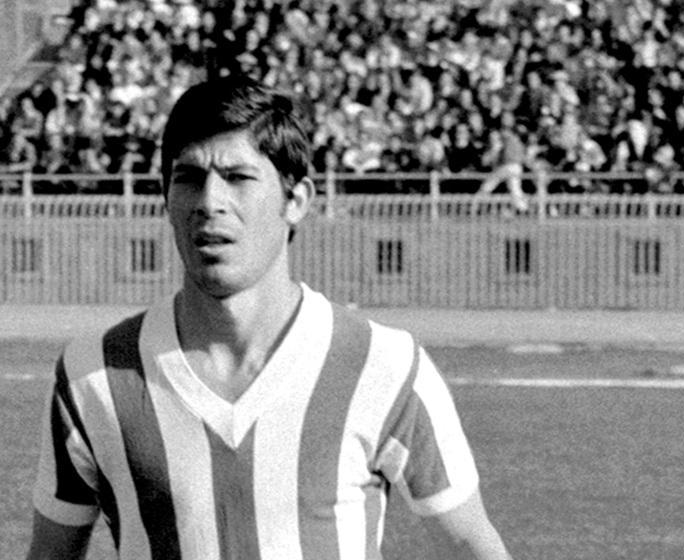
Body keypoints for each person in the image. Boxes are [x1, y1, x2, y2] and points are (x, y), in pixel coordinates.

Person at [26, 76, 513, 560]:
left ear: (295, 200)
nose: (210, 202)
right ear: (166, 198)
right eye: (189, 178)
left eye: (238, 178)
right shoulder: (92, 374)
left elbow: (469, 542)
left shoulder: (384, 364)